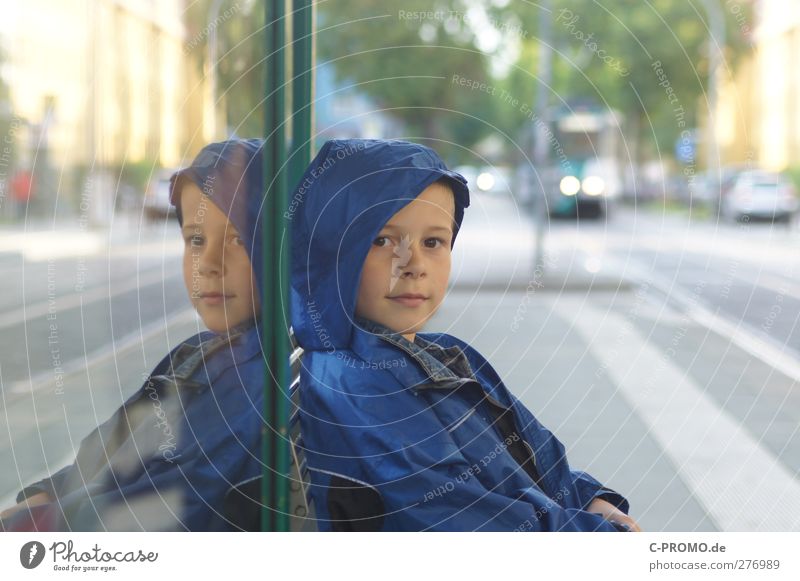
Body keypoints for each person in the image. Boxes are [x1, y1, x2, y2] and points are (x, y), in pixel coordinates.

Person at [290, 138, 641, 532]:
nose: (414, 265)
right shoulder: (356, 388)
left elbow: (537, 456)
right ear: (332, 251)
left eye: (433, 242)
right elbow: (470, 523)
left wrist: (592, 499)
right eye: (382, 240)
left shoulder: (449, 354)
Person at [1, 138, 267, 531]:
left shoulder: (257, 381)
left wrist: (24, 527)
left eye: (237, 239)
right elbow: (111, 452)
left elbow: (156, 509)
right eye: (196, 239)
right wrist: (44, 495)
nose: (209, 264)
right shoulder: (198, 353)